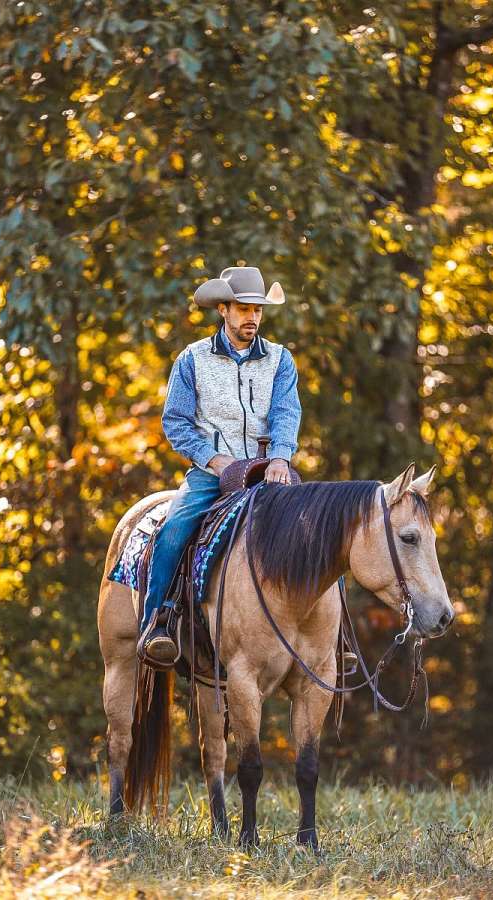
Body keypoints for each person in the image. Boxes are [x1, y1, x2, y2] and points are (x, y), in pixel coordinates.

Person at [140, 265, 302, 665]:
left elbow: (286, 413)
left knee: (318, 527)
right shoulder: (192, 359)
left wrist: (280, 456)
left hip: (269, 471)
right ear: (224, 310)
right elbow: (175, 422)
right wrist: (215, 459)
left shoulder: (281, 360)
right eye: (244, 309)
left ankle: (335, 636)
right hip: (212, 472)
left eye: (258, 311)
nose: (253, 318)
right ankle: (156, 621)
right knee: (175, 528)